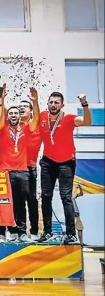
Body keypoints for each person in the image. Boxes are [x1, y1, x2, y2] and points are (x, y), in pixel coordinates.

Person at [38, 92, 91, 244]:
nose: (53, 105)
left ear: (62, 105)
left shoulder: (68, 118)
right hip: (48, 162)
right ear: (47, 104)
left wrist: (84, 104)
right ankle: (47, 232)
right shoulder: (42, 117)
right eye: (51, 102)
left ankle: (71, 234)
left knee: (65, 197)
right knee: (46, 197)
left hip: (66, 162)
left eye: (56, 102)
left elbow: (87, 122)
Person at [0, 85, 40, 243]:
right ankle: (5, 232)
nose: (13, 114)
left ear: (20, 116)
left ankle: (21, 232)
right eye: (10, 113)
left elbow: (36, 120)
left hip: (22, 171)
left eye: (16, 113)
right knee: (3, 202)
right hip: (4, 171)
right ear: (7, 116)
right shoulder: (2, 128)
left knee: (21, 204)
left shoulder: (26, 128)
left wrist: (35, 101)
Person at [19, 97, 43, 239]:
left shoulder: (34, 124)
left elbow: (37, 115)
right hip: (16, 168)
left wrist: (34, 101)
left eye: (25, 106)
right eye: (19, 106)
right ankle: (20, 232)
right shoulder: (14, 125)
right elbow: (1, 111)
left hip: (30, 167)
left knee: (32, 200)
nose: (21, 108)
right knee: (18, 202)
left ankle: (34, 231)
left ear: (31, 111)